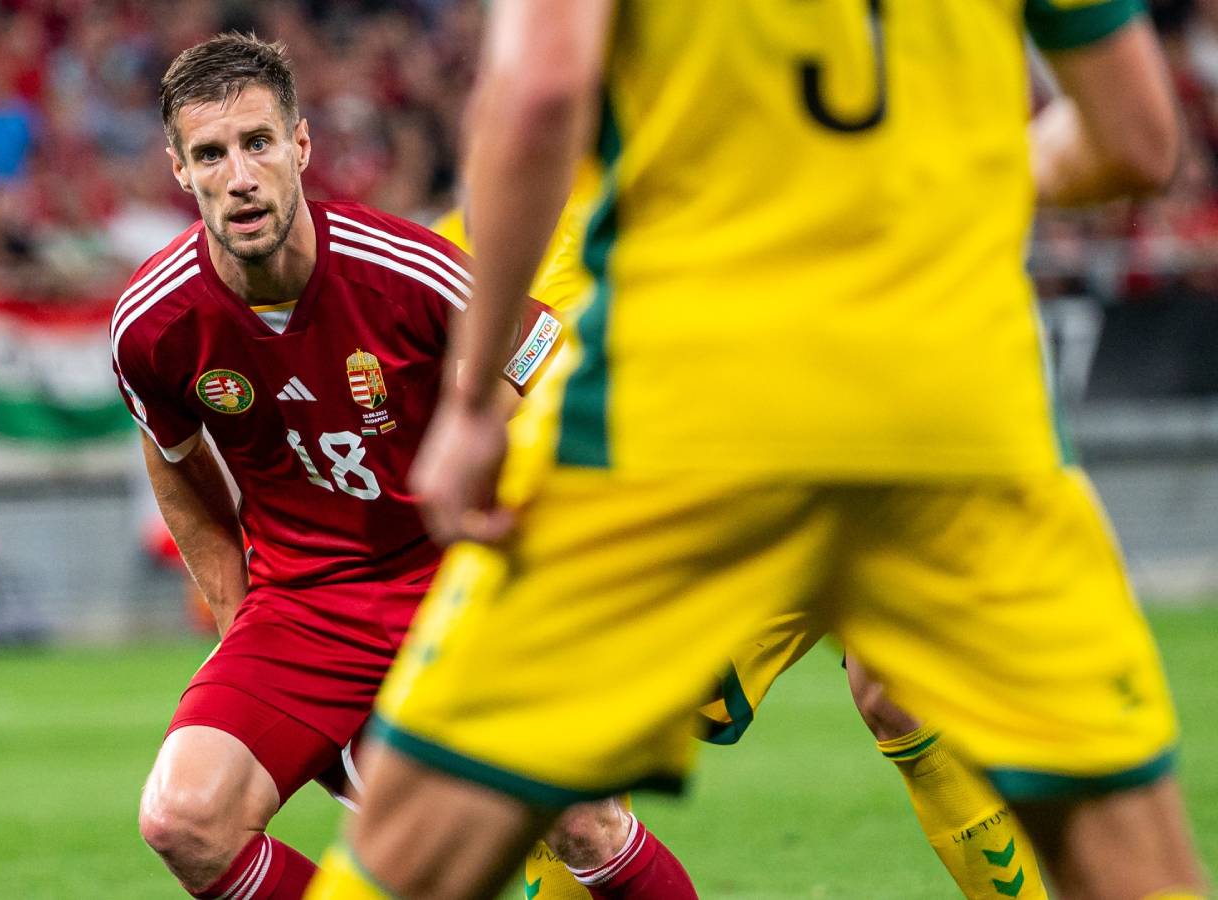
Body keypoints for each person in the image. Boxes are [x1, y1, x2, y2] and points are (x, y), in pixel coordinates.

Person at [310, 1, 1207, 898]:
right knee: (1111, 842)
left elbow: (539, 89)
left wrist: (472, 405)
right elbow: (1136, 141)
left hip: (689, 412)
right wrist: (951, 180)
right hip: (948, 405)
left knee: (462, 804)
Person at [116, 34, 694, 900]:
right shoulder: (152, 322)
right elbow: (173, 458)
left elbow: (548, 365)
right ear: (178, 169)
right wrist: (237, 615)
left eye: (258, 143)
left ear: (300, 146)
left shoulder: (402, 268)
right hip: (303, 609)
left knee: (582, 821)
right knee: (183, 821)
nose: (238, 176)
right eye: (210, 154)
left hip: (455, 587)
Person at [436, 186, 1047, 900]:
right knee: (568, 756)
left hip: (844, 437)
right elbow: (506, 382)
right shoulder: (515, 228)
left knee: (899, 692)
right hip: (710, 494)